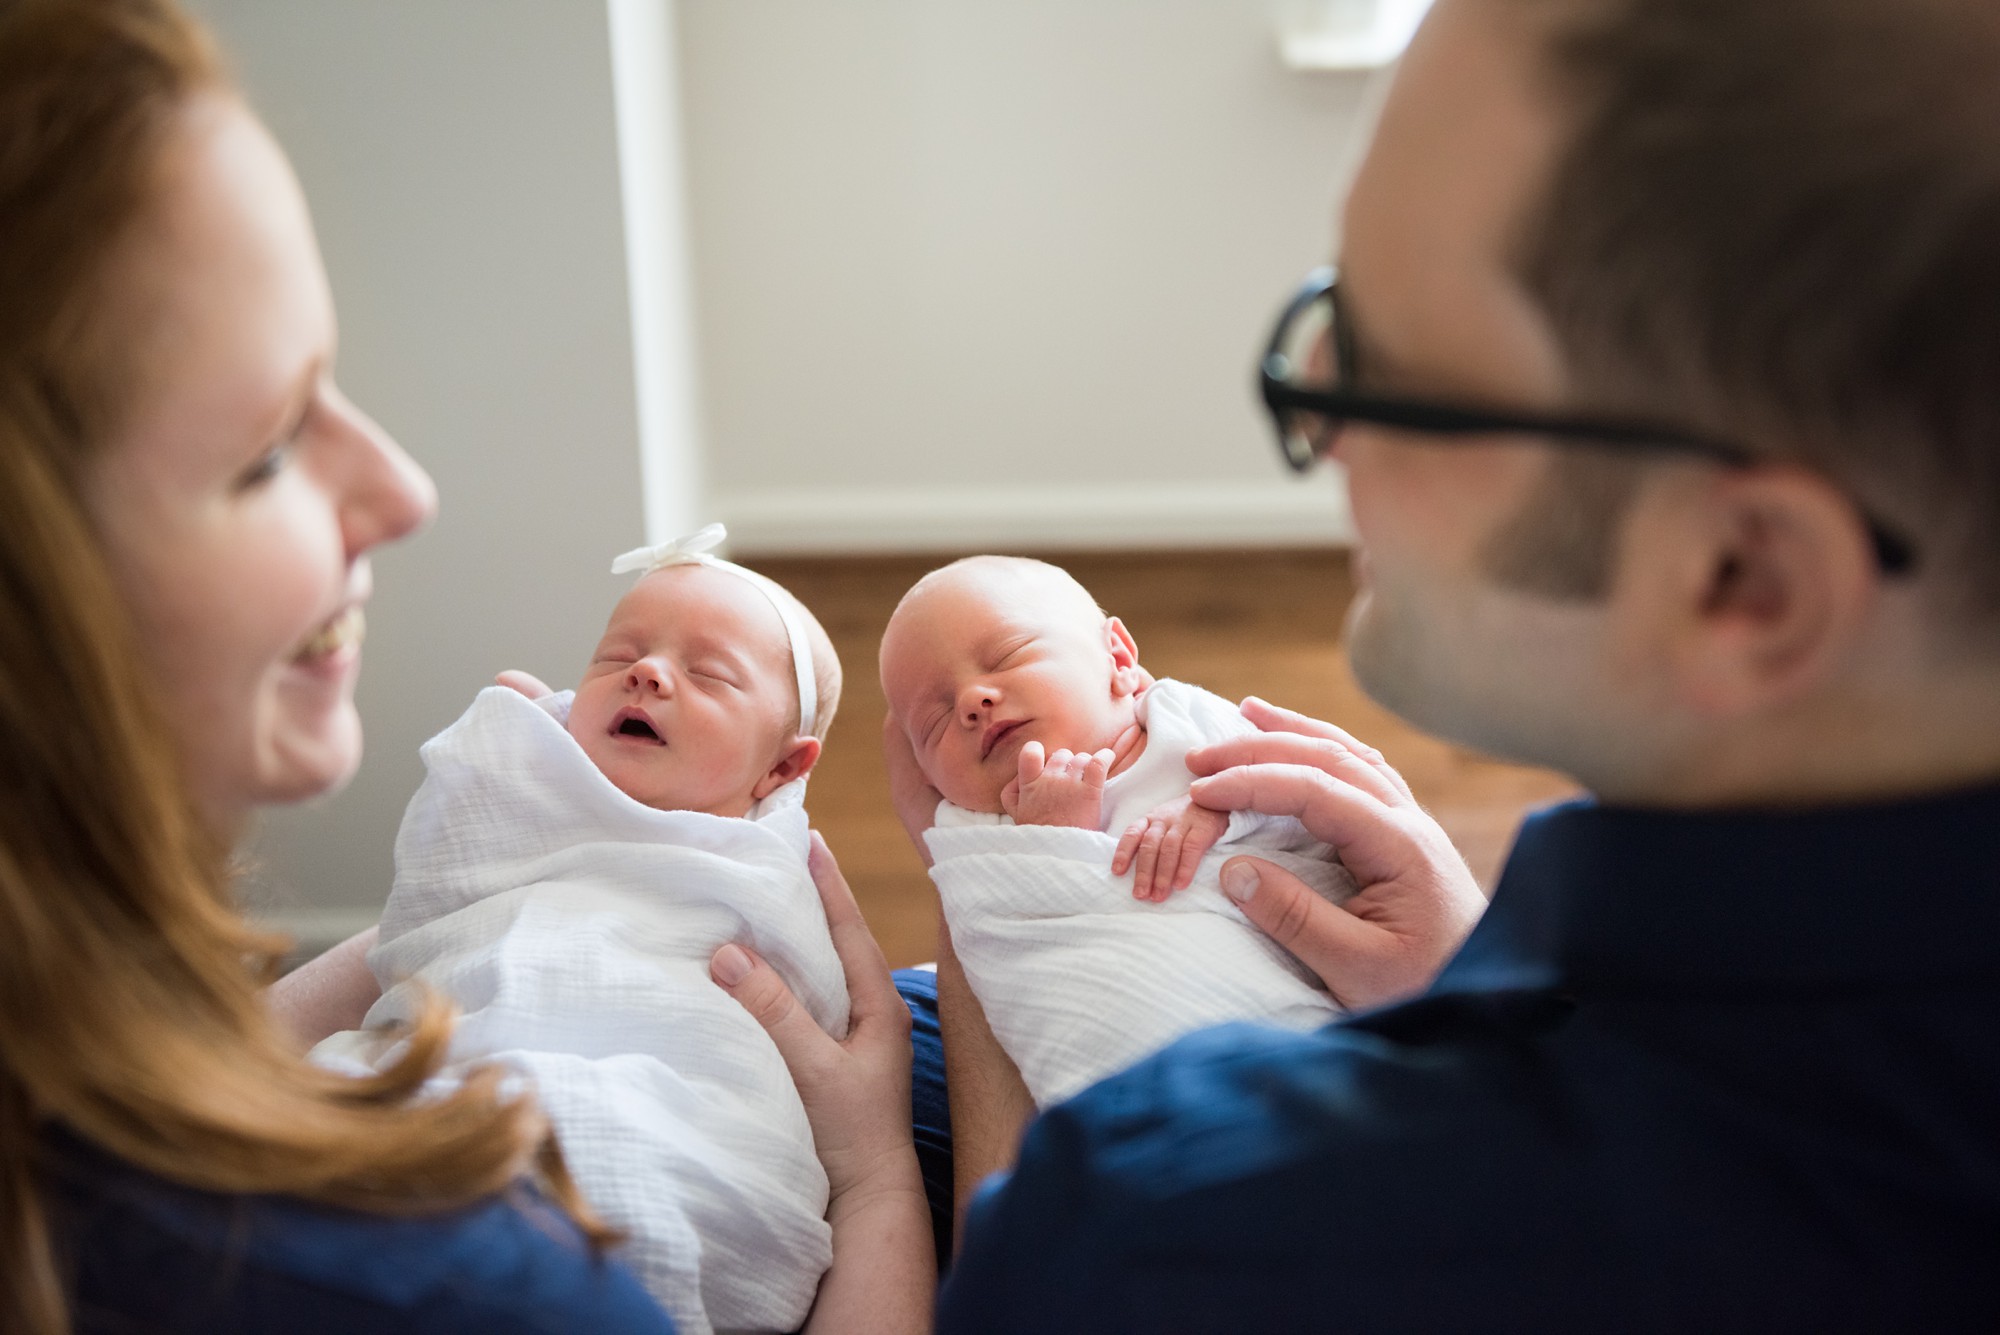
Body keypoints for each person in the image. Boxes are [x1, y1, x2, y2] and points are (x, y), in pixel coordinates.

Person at [927, 0, 2000, 1328]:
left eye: (1378, 372)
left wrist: (989, 918)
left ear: (1743, 580)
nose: (1325, 440)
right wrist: (1479, 966)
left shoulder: (1174, 1226)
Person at [0, 1, 932, 1331]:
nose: (404, 486)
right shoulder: (502, 1281)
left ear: (788, 764)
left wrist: (475, 901)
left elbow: (274, 1021)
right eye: (265, 447)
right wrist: (874, 1170)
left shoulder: (95, 1078)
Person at [313, 530, 852, 1333]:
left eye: (706, 674)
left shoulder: (764, 862)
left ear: (780, 770)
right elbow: (434, 903)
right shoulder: (529, 780)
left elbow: (815, 1007)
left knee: (617, 1180)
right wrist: (501, 774)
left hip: (667, 1116)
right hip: (457, 1071)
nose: (647, 672)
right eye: (617, 656)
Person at [879, 554, 1354, 1106]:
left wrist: (1213, 808)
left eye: (1008, 656)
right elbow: (999, 938)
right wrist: (1046, 845)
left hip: (1275, 1003)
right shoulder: (974, 830)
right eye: (933, 725)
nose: (971, 702)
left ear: (1119, 658)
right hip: (1118, 1050)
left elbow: (1296, 792)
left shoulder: (1186, 722)